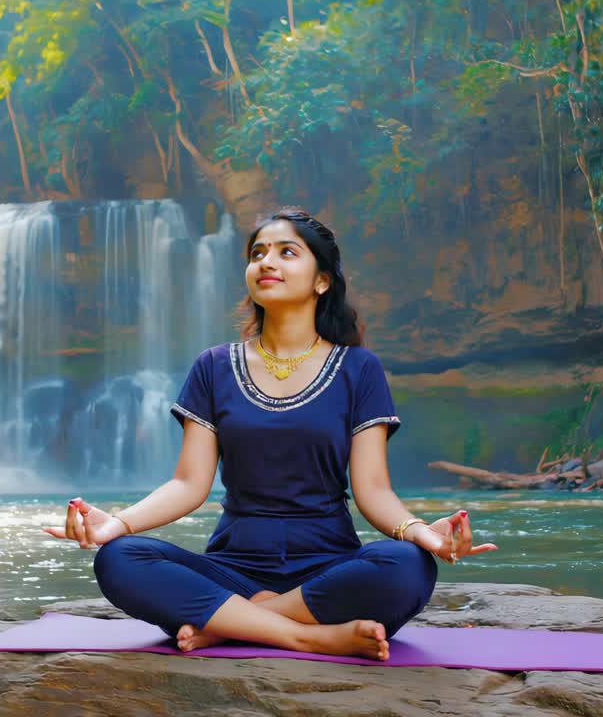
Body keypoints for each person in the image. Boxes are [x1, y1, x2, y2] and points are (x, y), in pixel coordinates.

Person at [44, 207, 497, 661]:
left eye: (287, 252)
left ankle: (230, 625)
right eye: (258, 252)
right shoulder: (214, 367)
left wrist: (423, 535)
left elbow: (373, 490)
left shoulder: (359, 368)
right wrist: (117, 525)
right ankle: (307, 635)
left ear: (322, 280)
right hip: (232, 567)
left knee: (407, 566)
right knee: (120, 559)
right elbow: (189, 485)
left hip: (329, 567)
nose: (266, 262)